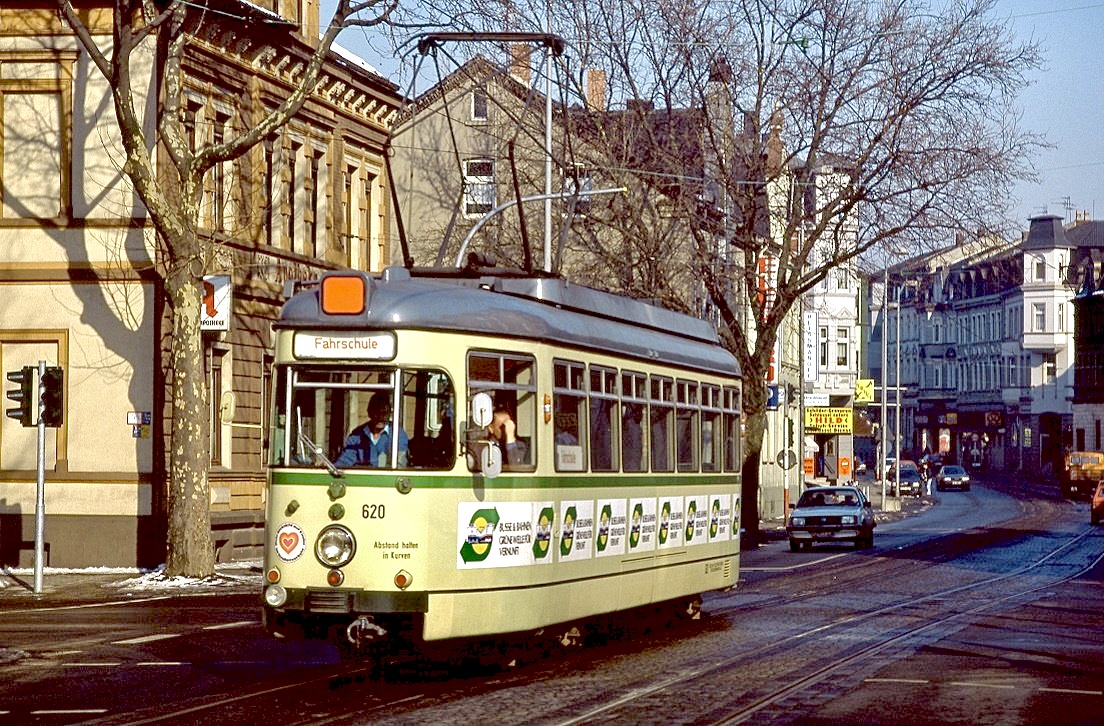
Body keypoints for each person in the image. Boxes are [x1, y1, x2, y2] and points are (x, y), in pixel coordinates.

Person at [335, 392, 409, 467]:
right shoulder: (357, 435)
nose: (380, 417)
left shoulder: (398, 435)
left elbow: (400, 463)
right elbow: (345, 461)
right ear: (369, 413)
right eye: (376, 413)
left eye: (384, 413)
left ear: (389, 413)